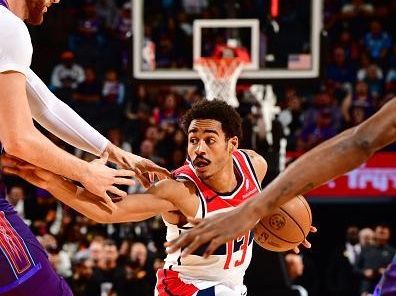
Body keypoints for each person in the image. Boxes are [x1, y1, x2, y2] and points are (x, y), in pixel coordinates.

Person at [4, 100, 272, 295]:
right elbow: (107, 212)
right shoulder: (179, 191)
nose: (199, 149)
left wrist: (281, 222)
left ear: (232, 144)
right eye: (193, 140)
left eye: (210, 140)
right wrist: (51, 179)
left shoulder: (254, 166)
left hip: (233, 285)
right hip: (186, 288)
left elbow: (269, 202)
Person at [0, 1, 169, 295]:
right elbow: (19, 139)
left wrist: (117, 154)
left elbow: (44, 105)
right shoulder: (8, 27)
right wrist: (84, 172)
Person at [165, 97, 396, 295]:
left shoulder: (251, 164)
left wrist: (252, 209)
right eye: (193, 140)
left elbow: (360, 142)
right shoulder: (184, 185)